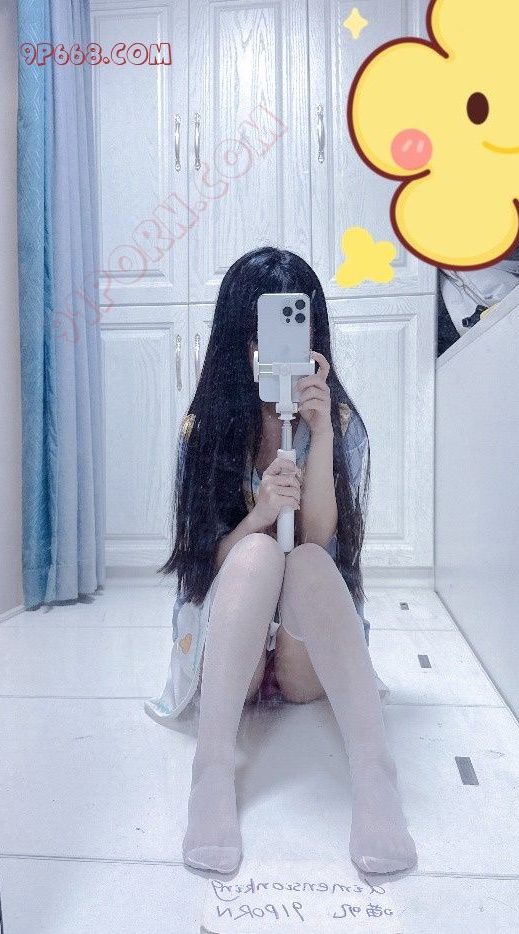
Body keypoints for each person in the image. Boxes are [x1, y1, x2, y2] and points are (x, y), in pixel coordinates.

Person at [144, 247, 416, 876]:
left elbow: (320, 540)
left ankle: (374, 772)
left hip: (301, 661)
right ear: (237, 339)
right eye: (260, 333)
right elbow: (200, 568)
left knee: (309, 563)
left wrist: (319, 436)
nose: (274, 349)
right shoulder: (206, 430)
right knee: (259, 552)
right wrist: (259, 515)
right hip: (228, 656)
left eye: (295, 328)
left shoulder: (337, 424)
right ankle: (212, 769)